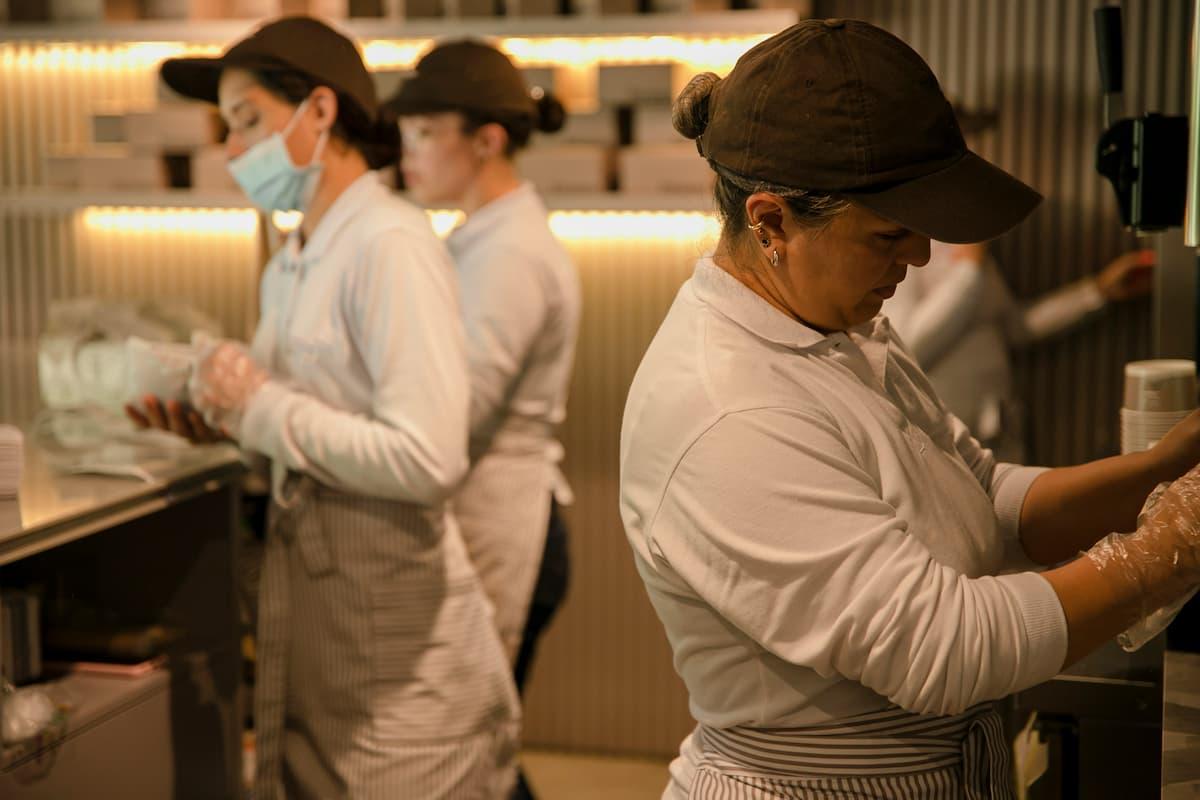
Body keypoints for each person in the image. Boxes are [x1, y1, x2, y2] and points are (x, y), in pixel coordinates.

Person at [619, 19, 1200, 798]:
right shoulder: (730, 411)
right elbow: (944, 648)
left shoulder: (843, 332)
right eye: (890, 235)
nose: (920, 258)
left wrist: (1160, 470)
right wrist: (1164, 549)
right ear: (770, 223)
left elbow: (984, 498)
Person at [131, 17, 519, 799]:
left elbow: (426, 457)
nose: (233, 151)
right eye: (226, 129)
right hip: (321, 635)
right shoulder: (296, 257)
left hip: (395, 664)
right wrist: (221, 423)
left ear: (318, 111)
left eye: (247, 122)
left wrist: (260, 407)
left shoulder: (389, 244)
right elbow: (297, 420)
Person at [386, 40, 581, 800]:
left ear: (486, 139)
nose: (409, 153)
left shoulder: (511, 255)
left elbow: (453, 413)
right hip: (489, 512)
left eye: (425, 132)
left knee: (471, 753)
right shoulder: (481, 237)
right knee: (474, 750)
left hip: (509, 524)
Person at [885, 225, 1154, 464]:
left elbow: (1013, 329)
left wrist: (1097, 291)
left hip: (997, 427)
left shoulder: (973, 253)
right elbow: (910, 344)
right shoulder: (912, 251)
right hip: (943, 435)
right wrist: (968, 271)